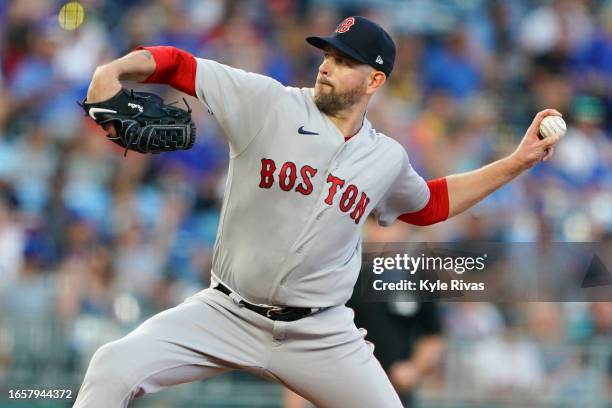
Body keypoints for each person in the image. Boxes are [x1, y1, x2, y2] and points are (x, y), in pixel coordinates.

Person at [74, 16, 561, 407]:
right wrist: (111, 72)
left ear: (375, 79)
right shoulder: (267, 103)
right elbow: (178, 64)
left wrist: (517, 163)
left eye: (344, 60)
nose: (327, 66)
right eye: (327, 54)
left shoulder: (386, 157)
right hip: (226, 311)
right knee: (112, 366)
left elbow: (429, 205)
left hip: (319, 332)